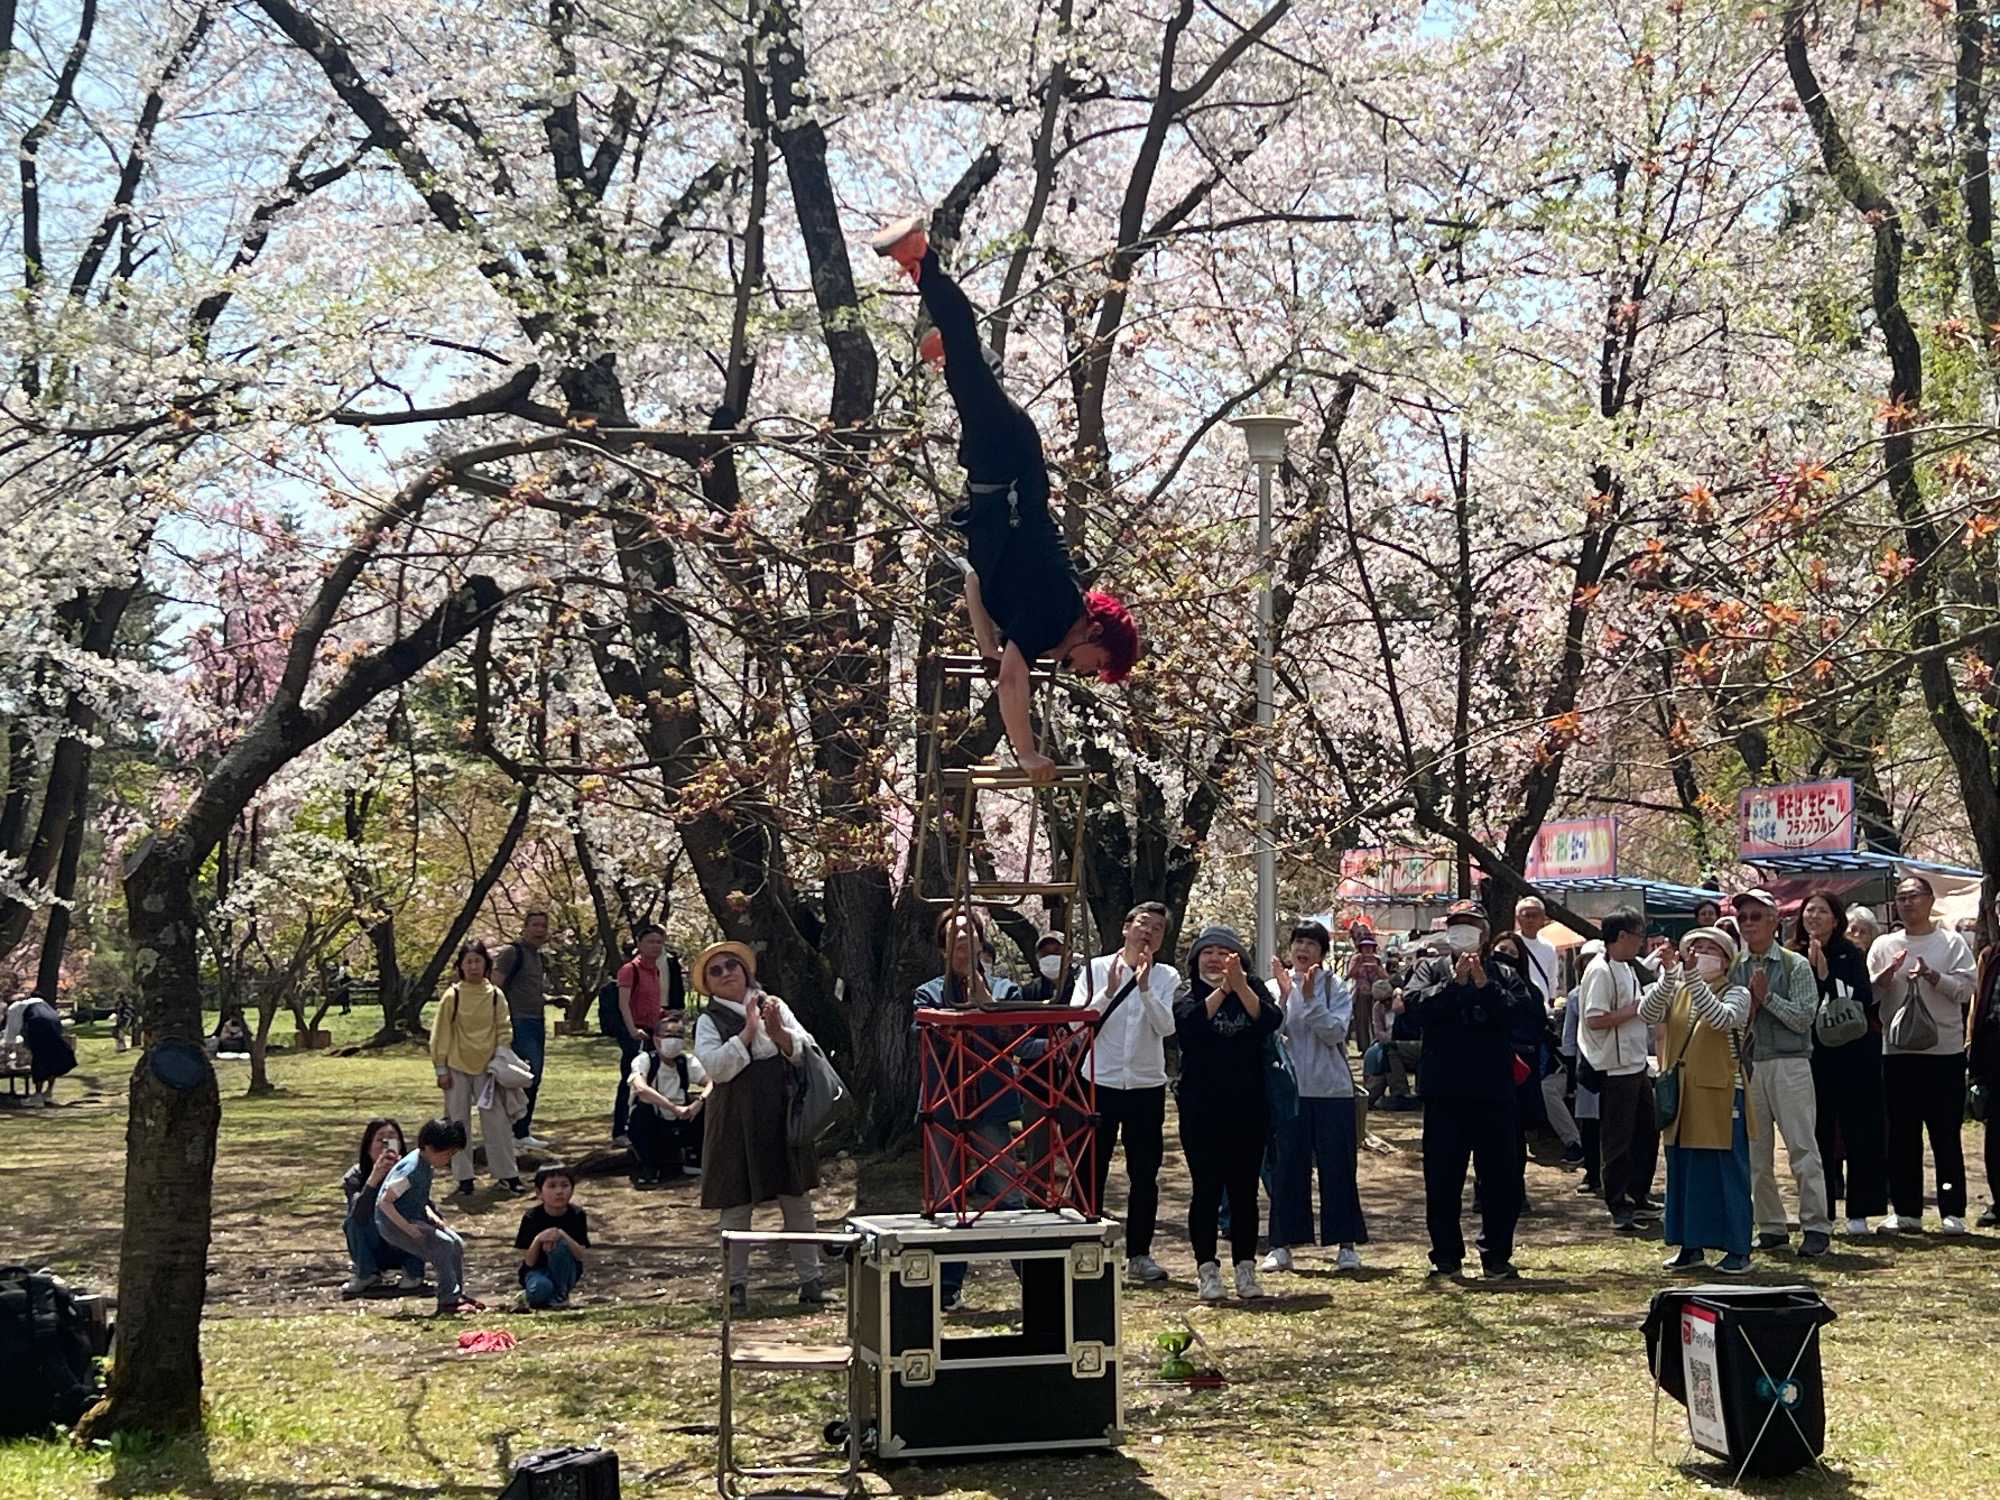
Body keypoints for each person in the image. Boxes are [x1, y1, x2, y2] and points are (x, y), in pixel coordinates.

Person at [871, 216, 1140, 783]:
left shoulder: (1037, 618)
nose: (1083, 672)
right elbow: (1013, 681)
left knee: (972, 377)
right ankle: (922, 261)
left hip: (996, 470)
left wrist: (988, 644)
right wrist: (1027, 753)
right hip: (1008, 464)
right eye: (1095, 666)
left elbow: (974, 581)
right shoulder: (1056, 612)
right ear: (1096, 636)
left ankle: (953, 352)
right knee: (969, 365)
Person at [1404, 900, 1541, 1280]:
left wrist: (1484, 986)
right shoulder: (1430, 969)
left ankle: (1496, 1255)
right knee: (1442, 1179)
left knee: (1500, 1179)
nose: (1463, 931)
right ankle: (1446, 1256)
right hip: (1444, 1092)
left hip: (1494, 1091)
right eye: (1456, 925)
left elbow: (1525, 1017)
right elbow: (1414, 1009)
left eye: (1471, 924)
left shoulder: (1503, 973)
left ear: (1484, 933)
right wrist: (1455, 984)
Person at [692, 940, 825, 1312]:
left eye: (731, 965)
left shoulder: (773, 1004)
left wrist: (778, 1033)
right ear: (708, 983)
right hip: (734, 1117)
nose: (726, 974)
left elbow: (806, 1048)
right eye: (715, 971)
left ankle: (811, 1281)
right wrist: (748, 1032)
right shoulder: (708, 1021)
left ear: (745, 969)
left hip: (782, 1112)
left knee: (796, 1199)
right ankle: (734, 1287)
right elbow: (715, 1068)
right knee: (736, 1204)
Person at [915, 907, 1028, 1312]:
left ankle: (1034, 1280)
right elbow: (927, 1033)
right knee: (947, 1199)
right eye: (954, 936)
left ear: (982, 942)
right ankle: (947, 1289)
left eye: (969, 934)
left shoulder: (1005, 989)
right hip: (945, 1106)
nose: (962, 941)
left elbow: (1013, 1035)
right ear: (942, 947)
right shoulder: (928, 992)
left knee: (1007, 1192)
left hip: (991, 1104)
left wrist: (983, 995)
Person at [1173, 925, 1283, 1301]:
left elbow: (1270, 1020)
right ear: (1196, 959)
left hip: (1248, 1106)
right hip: (1200, 1107)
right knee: (1205, 1189)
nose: (1215, 959)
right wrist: (1223, 990)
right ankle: (1207, 1270)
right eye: (1208, 952)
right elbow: (1188, 1026)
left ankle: (1245, 1269)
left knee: (1244, 1190)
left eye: (1224, 953)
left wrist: (1241, 986)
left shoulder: (1253, 988)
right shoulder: (1188, 990)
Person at [1642, 928, 1755, 1274]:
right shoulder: (1677, 989)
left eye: (1710, 949)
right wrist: (1668, 976)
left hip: (1722, 1093)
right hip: (1683, 1095)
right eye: (1695, 948)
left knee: (1725, 1172)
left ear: (1726, 960)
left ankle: (1738, 1248)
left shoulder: (1737, 993)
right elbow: (1648, 1013)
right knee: (1685, 1170)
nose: (1701, 954)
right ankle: (1689, 1245)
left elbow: (1721, 1018)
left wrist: (1691, 978)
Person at [1078, 901, 1179, 1284]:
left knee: (1144, 1172)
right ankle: (1086, 1249)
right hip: (1098, 1081)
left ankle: (1139, 1254)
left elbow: (1166, 1027)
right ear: (1126, 928)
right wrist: (1107, 992)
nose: (1148, 932)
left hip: (1145, 1084)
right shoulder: (1095, 968)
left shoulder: (1167, 976)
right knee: (1091, 1168)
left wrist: (1146, 988)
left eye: (1157, 928)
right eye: (1143, 924)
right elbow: (1076, 1022)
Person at [1870, 875, 1977, 1234]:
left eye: (1914, 895)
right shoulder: (1884, 944)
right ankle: (1906, 1211)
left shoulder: (1951, 943)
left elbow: (1965, 990)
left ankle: (1952, 1209)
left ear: (1930, 900)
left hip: (1944, 1051)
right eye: (1901, 897)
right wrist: (1887, 975)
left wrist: (1933, 976)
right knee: (1901, 1134)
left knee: (1945, 1133)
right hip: (1897, 1051)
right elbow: (1869, 995)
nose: (1907, 903)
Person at [1725, 889, 1830, 1256]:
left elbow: (1804, 1019)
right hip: (1750, 1066)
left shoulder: (1793, 964)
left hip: (1790, 1064)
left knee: (1802, 1148)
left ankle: (1816, 1226)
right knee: (1756, 1154)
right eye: (1742, 917)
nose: (1748, 923)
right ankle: (1770, 1226)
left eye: (1755, 916)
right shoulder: (1734, 967)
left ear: (1774, 922)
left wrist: (1766, 997)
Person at [1264, 921, 1367, 1275]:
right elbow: (1270, 1033)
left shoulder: (1335, 987)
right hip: (1289, 1092)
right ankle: (1281, 1245)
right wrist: (1283, 996)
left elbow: (1335, 1033)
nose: (1302, 949)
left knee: (1338, 1168)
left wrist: (1309, 999)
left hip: (1331, 1091)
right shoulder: (1274, 985)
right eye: (1298, 942)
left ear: (1322, 953)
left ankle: (1346, 1245)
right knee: (1286, 1170)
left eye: (1311, 944)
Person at [1794, 891, 1887, 1235]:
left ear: (1836, 919)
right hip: (1812, 1055)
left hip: (1854, 1053)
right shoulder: (1793, 954)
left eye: (1822, 911)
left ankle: (1860, 1211)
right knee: (1817, 1134)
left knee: (1859, 1130)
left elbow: (1862, 997)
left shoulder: (1850, 953)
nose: (1814, 916)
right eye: (1809, 910)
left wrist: (1826, 974)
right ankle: (1822, 1211)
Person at [1578, 910, 1659, 1231]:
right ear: (1622, 936)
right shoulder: (1600, 970)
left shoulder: (1627, 967)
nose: (1641, 943)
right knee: (1618, 1140)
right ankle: (1618, 1203)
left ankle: (1639, 1195)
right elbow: (1595, 1018)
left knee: (1646, 1132)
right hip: (1613, 1067)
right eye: (1638, 936)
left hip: (1636, 1063)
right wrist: (1633, 1009)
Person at [429, 940, 523, 1197]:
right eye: (468, 962)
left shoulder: (495, 995)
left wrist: (500, 1058)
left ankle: (507, 1174)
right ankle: (464, 1178)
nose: (473, 967)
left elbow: (504, 1029)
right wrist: (440, 1069)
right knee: (457, 1123)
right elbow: (441, 1034)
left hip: (488, 1069)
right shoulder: (453, 996)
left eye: (477, 961)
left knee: (497, 1123)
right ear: (460, 966)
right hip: (456, 1066)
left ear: (486, 964)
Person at [375, 1117, 482, 1315]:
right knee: (443, 1246)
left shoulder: (426, 1163)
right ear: (430, 1147)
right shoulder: (411, 1170)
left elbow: (417, 1196)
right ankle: (447, 1300)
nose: (449, 1159)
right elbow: (385, 1202)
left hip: (414, 1216)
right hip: (394, 1223)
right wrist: (408, 1229)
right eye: (447, 1154)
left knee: (456, 1243)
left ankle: (457, 1293)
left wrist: (431, 1215)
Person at [340, 1117, 427, 1298]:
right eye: (381, 1140)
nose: (386, 1145)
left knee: (419, 1218)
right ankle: (366, 1273)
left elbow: (423, 1206)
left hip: (404, 1241)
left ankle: (413, 1271)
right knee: (351, 1222)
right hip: (373, 1243)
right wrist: (374, 1179)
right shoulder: (355, 1175)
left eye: (392, 1139)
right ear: (368, 1146)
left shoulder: (412, 1170)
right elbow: (357, 1215)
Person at [493, 911, 555, 1151]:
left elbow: (529, 989)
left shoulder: (538, 957)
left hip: (537, 1020)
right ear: (525, 928)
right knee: (524, 1077)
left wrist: (550, 1000)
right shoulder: (512, 953)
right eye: (535, 925)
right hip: (518, 1022)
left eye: (543, 926)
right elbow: (495, 987)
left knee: (534, 1078)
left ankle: (522, 1131)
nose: (540, 930)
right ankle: (512, 1131)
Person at [629, 1011, 708, 1183]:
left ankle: (694, 1156)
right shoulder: (645, 1060)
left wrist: (699, 1103)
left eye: (679, 1035)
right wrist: (672, 1107)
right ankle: (649, 1166)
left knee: (708, 1104)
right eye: (668, 1035)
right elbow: (641, 1088)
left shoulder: (687, 1062)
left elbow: (712, 1082)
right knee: (643, 1108)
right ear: (656, 1039)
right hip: (655, 1120)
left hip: (682, 1119)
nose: (674, 1040)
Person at [612, 926, 673, 1148]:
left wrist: (666, 1015)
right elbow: (623, 1004)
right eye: (651, 942)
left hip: (651, 1031)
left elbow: (653, 1004)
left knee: (652, 1077)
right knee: (631, 1078)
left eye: (659, 942)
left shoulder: (655, 970)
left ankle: (646, 1124)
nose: (655, 946)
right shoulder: (630, 970)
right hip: (634, 1032)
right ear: (639, 944)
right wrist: (632, 1030)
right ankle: (620, 1130)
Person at [515, 1163, 590, 1309]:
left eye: (565, 1185)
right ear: (539, 1193)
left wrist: (561, 1234)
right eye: (552, 1186)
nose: (559, 1191)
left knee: (560, 1245)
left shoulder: (577, 1214)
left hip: (566, 1270)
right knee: (541, 1290)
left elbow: (580, 1255)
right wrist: (539, 1239)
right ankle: (531, 1295)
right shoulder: (531, 1217)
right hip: (537, 1271)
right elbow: (529, 1262)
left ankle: (560, 1296)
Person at [1561, 942, 1603, 1197]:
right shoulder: (1576, 996)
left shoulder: (1618, 988)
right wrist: (1570, 1072)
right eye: (1585, 962)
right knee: (1589, 1123)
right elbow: (1569, 1036)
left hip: (1614, 1065)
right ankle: (1592, 1172)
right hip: (1586, 1067)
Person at [1969, 888, 2000, 1227]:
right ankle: (1997, 1201)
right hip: (1994, 1053)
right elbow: (1978, 1005)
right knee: (1995, 1133)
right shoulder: (1990, 956)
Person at [1, 992, 76, 1106]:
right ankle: (48, 1093)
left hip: (39, 1026)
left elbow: (10, 1035)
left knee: (40, 1061)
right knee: (53, 1059)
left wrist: (7, 1053)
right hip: (55, 1025)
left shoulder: (14, 1007)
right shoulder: (40, 1002)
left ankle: (38, 1096)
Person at [1022, 931, 1073, 1003]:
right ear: (1037, 958)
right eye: (1045, 953)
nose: (1050, 957)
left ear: (1070, 956)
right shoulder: (1030, 991)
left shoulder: (1082, 986)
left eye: (1057, 951)